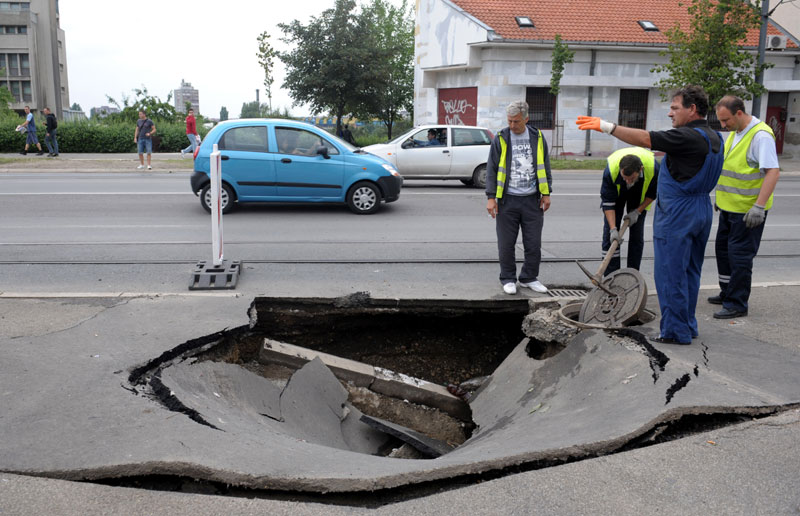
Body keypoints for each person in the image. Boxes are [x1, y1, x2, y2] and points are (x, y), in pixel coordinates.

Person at [577, 85, 723, 345]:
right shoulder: (714, 137)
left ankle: (674, 332)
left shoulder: (687, 136)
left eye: (674, 107)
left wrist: (606, 126)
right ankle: (687, 324)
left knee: (670, 275)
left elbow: (646, 139)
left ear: (692, 109)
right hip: (701, 209)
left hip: (679, 214)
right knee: (690, 272)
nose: (670, 113)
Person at [709, 95, 780, 319]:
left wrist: (759, 206)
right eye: (720, 121)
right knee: (723, 252)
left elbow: (772, 171)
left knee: (739, 258)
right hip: (730, 208)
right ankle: (726, 293)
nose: (723, 125)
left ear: (739, 113)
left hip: (748, 212)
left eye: (725, 120)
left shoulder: (760, 136)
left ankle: (737, 303)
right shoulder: (736, 133)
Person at [486, 100, 552, 295]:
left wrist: (546, 192)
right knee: (506, 243)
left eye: (516, 121)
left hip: (532, 199)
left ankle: (529, 277)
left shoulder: (537, 137)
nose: (512, 125)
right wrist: (491, 197)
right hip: (507, 200)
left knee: (533, 243)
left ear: (526, 119)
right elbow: (491, 168)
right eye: (509, 121)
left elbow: (545, 165)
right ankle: (508, 278)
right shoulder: (501, 138)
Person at [600, 147, 659, 275]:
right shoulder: (611, 170)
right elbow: (608, 203)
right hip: (617, 193)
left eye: (631, 178)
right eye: (625, 177)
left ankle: (632, 275)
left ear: (640, 170)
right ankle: (611, 276)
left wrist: (637, 212)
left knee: (637, 236)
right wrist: (613, 229)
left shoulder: (653, 169)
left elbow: (652, 194)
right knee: (610, 237)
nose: (628, 181)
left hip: (639, 194)